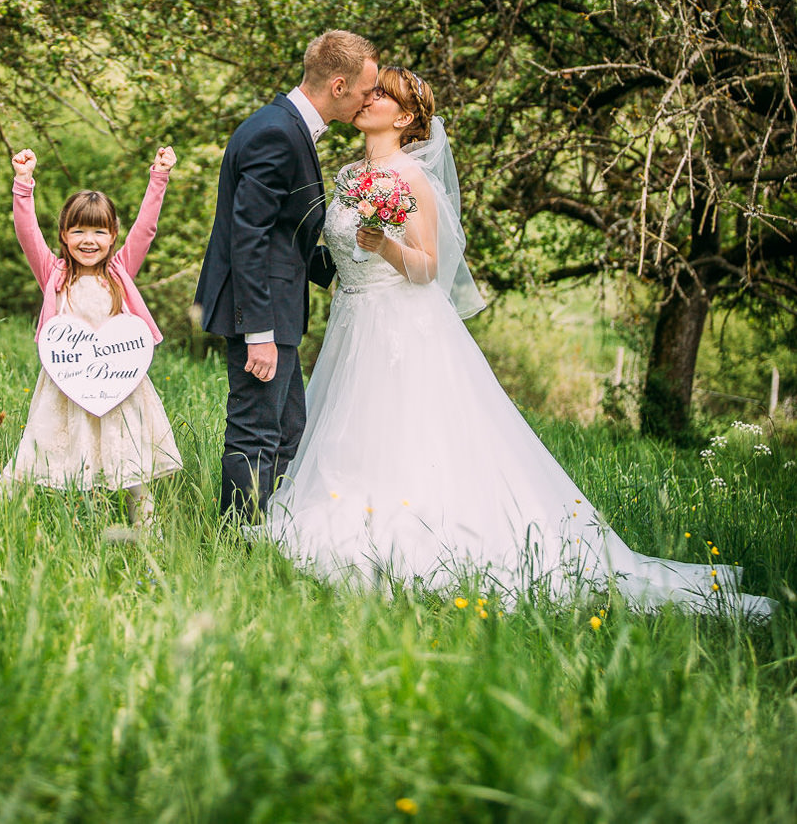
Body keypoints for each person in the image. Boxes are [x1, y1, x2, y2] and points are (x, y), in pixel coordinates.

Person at [264, 67, 775, 618]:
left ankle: (413, 529)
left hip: (401, 324)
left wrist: (385, 247)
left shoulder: (411, 179)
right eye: (370, 91)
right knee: (348, 426)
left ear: (406, 116)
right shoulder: (348, 173)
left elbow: (428, 267)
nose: (369, 99)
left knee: (406, 430)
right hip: (352, 322)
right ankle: (341, 511)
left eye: (382, 94)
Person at [196, 30, 379, 517]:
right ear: (339, 86)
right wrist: (258, 331)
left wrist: (346, 263)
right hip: (261, 315)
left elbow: (283, 235)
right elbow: (248, 235)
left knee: (288, 431)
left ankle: (272, 532)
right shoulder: (277, 132)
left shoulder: (286, 126)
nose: (368, 100)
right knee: (256, 431)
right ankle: (237, 540)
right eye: (365, 90)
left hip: (277, 310)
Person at [0, 144, 182, 525]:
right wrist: (23, 183)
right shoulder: (54, 274)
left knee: (132, 461)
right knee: (37, 451)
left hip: (121, 383)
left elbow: (146, 228)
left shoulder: (119, 273)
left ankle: (146, 530)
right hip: (65, 387)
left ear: (112, 235)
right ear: (64, 235)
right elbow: (26, 232)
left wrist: (159, 177)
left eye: (99, 231)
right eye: (78, 230)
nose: (88, 240)